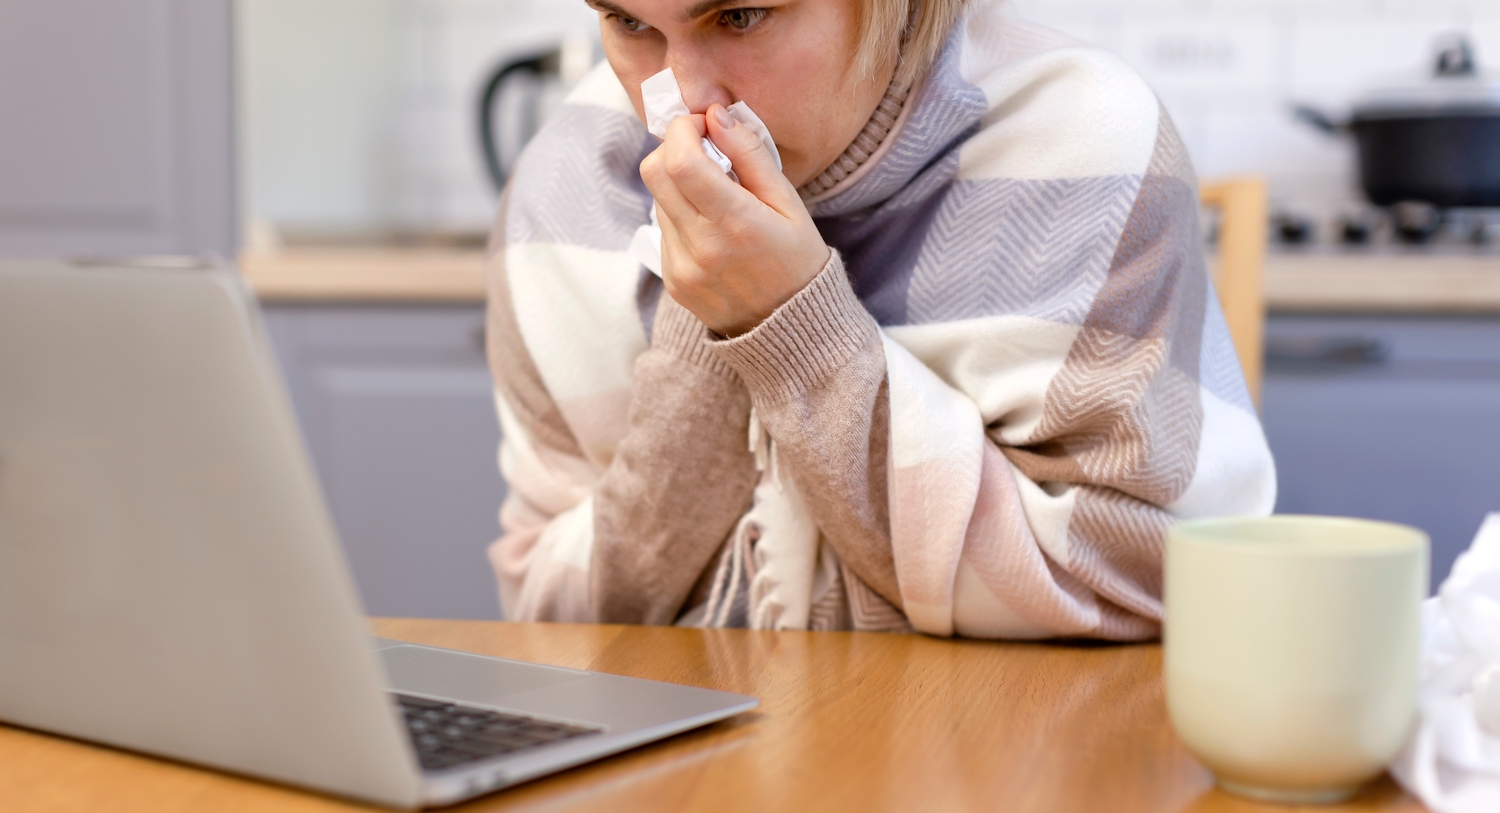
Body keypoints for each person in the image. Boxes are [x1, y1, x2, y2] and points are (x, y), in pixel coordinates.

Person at [482, 0, 1276, 639]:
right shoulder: (562, 186)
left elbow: (1144, 582)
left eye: (741, 16)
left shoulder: (1084, 141)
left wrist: (787, 323)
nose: (684, 103)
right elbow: (558, 618)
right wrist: (713, 311)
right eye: (628, 24)